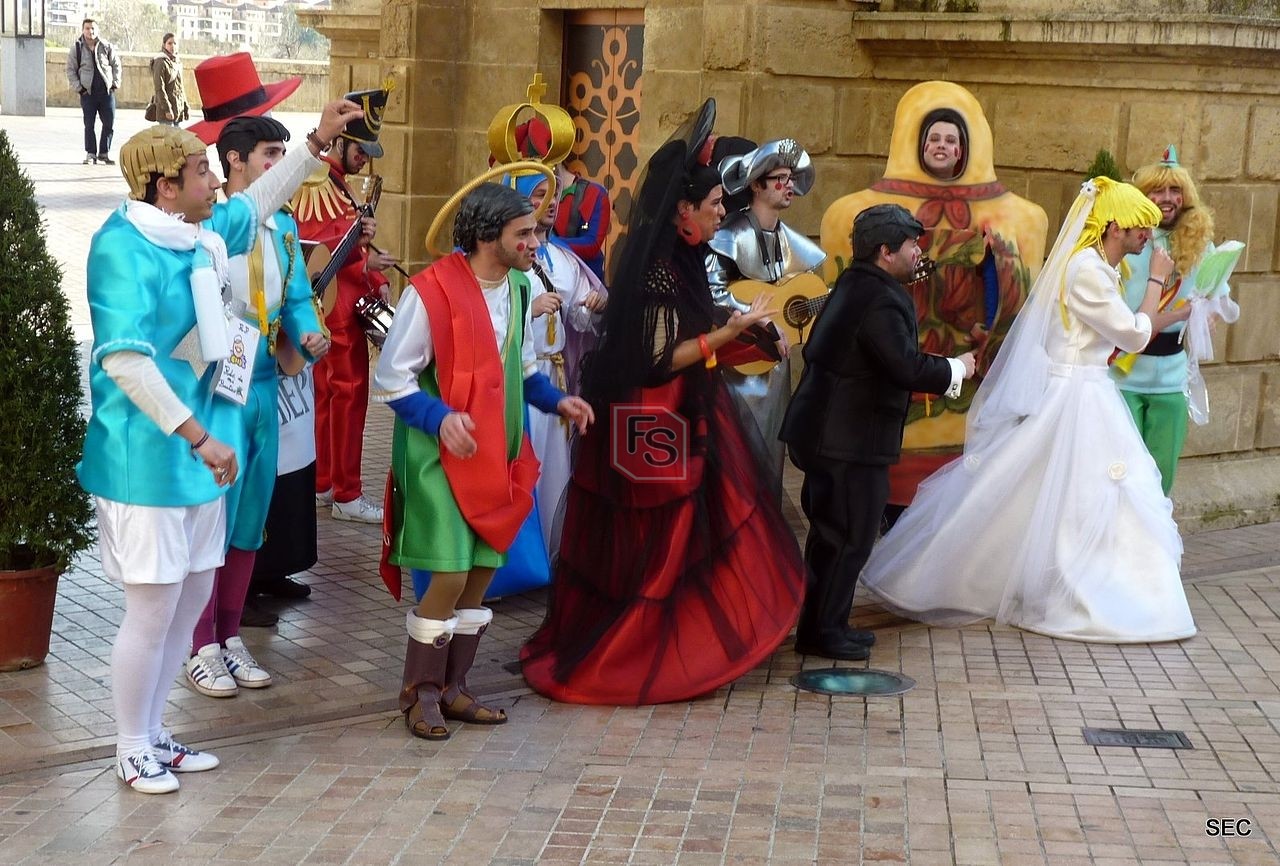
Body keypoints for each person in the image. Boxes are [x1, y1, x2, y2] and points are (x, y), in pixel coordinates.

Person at [79, 98, 362, 793]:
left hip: (201, 451)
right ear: (164, 187)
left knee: (187, 598)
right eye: (202, 172)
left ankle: (156, 734)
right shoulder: (123, 247)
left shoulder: (200, 236)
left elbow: (260, 201)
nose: (216, 182)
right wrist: (201, 436)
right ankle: (130, 744)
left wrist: (317, 140)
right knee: (152, 608)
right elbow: (126, 360)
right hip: (146, 459)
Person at [520, 99, 807, 706]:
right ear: (682, 209)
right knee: (661, 536)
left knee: (692, 530)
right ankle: (639, 645)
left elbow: (689, 321)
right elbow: (657, 356)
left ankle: (680, 632)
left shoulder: (682, 259)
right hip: (651, 419)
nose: (719, 213)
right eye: (711, 206)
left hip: (678, 411)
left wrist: (733, 321)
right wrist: (727, 335)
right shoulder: (655, 272)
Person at [859, 178, 1197, 644]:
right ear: (1115, 226)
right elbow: (1134, 336)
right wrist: (1157, 278)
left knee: (1074, 494)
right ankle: (1052, 588)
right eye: (1141, 228)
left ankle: (1097, 581)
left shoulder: (1098, 267)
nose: (1148, 237)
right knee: (1060, 493)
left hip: (1089, 390)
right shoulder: (1087, 272)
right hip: (1076, 395)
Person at [374, 182, 594, 740]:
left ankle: (454, 687)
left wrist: (556, 400)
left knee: (481, 570)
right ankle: (418, 692)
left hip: (495, 449)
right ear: (484, 236)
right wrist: (441, 418)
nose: (537, 243)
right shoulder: (430, 292)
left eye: (538, 232)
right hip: (437, 452)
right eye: (525, 233)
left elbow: (518, 370)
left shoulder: (519, 287)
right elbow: (392, 379)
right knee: (447, 570)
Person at [820, 82, 1048, 522]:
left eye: (951, 140)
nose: (942, 147)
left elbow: (1021, 298)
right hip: (889, 389)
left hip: (967, 388)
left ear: (965, 149)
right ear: (918, 143)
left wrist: (996, 255)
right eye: (934, 138)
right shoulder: (855, 212)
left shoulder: (1022, 216)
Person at [779, 204, 973, 661]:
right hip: (846, 438)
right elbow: (903, 364)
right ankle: (824, 632)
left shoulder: (855, 284)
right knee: (849, 535)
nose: (917, 252)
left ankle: (826, 624)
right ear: (886, 251)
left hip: (834, 433)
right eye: (911, 245)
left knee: (836, 535)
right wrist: (954, 368)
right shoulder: (880, 298)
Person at [183, 112, 330, 699]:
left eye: (282, 154)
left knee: (249, 519)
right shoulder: (209, 228)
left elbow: (297, 297)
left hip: (265, 384)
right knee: (211, 515)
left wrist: (310, 332)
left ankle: (229, 633)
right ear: (235, 161)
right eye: (271, 155)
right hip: (215, 390)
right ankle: (198, 644)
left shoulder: (286, 230)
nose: (279, 167)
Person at [292, 85, 398, 524]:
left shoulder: (339, 184)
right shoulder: (318, 181)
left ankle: (324, 484)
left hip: (343, 302)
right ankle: (347, 493)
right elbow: (317, 245)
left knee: (329, 398)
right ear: (341, 140)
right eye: (360, 149)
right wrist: (367, 260)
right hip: (335, 309)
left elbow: (352, 250)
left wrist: (374, 273)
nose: (364, 159)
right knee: (347, 398)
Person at [707, 138, 825, 471]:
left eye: (792, 178)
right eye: (781, 179)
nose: (790, 186)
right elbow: (711, 293)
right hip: (737, 363)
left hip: (776, 364)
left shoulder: (792, 241)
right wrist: (757, 318)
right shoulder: (728, 236)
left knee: (770, 456)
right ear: (757, 185)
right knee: (735, 459)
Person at [1112, 146, 1217, 495]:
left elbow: (1216, 292)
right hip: (1122, 374)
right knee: (1117, 472)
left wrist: (1208, 312)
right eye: (1158, 190)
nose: (1167, 198)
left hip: (1170, 378)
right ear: (1142, 195)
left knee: (1160, 479)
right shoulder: (1128, 236)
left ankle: (1149, 548)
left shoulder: (1200, 241)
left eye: (1175, 190)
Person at [512, 171, 607, 549]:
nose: (551, 202)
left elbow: (581, 318)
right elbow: (489, 316)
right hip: (520, 377)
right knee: (522, 471)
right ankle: (518, 557)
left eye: (553, 195)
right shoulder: (507, 260)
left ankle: (552, 551)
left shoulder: (564, 260)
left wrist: (595, 306)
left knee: (555, 471)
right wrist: (529, 310)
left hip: (556, 376)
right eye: (539, 195)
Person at [65, 18, 121, 166]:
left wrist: (115, 83)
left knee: (109, 122)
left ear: (98, 30)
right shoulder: (76, 48)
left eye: (93, 28)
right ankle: (91, 153)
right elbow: (70, 70)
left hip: (106, 92)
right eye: (88, 28)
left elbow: (116, 65)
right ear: (83, 30)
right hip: (88, 93)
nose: (91, 31)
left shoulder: (106, 46)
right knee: (89, 124)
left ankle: (104, 152)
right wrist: (79, 88)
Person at [150, 34, 189, 127]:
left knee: (177, 140)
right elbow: (159, 88)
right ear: (164, 45)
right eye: (169, 43)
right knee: (167, 140)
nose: (173, 46)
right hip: (166, 110)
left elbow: (180, 86)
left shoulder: (177, 61)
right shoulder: (160, 61)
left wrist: (185, 106)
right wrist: (167, 109)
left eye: (175, 43)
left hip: (177, 108)